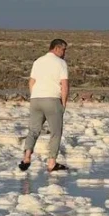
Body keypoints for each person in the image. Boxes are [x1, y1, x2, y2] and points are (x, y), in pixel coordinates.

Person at [19, 39, 69, 173]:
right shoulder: (61, 63)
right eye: (63, 50)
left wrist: (34, 95)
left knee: (33, 130)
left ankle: (27, 157)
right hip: (52, 99)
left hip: (36, 99)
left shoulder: (38, 61)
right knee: (56, 132)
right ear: (57, 48)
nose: (64, 53)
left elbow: (31, 82)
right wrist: (63, 103)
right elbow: (64, 84)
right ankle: (52, 162)